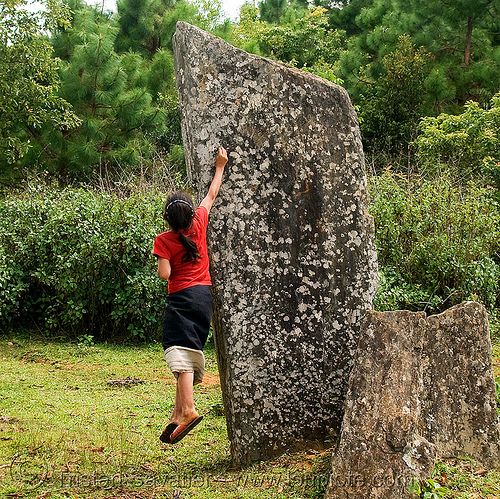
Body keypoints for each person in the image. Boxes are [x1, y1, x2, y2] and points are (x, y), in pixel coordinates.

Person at [153, 146, 228, 444]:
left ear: (168, 220)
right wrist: (220, 165)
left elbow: (165, 274)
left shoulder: (164, 240)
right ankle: (177, 410)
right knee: (188, 347)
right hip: (203, 296)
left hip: (181, 298)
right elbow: (211, 194)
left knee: (177, 352)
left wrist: (163, 256)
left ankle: (189, 410)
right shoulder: (199, 220)